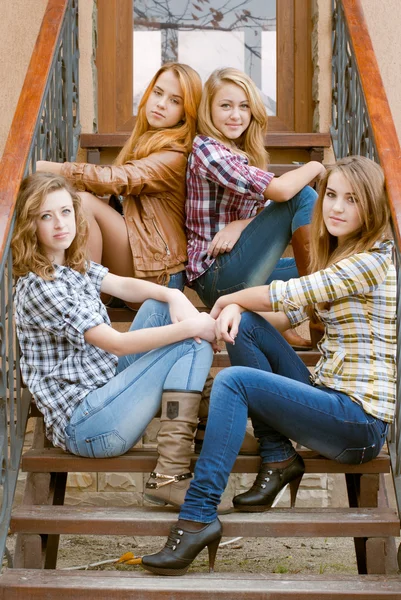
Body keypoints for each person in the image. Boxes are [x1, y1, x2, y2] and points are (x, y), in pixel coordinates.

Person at [141, 155, 395, 575]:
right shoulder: (343, 255)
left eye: (351, 199)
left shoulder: (371, 260)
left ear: (370, 206)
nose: (335, 207)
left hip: (359, 419)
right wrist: (240, 314)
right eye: (331, 195)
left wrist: (227, 300)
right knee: (249, 326)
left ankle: (198, 516)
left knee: (232, 383)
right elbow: (285, 315)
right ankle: (277, 457)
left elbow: (290, 294)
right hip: (329, 396)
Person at [12, 173, 216, 512]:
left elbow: (125, 286)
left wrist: (173, 295)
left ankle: (203, 424)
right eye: (45, 216)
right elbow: (117, 344)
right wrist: (195, 325)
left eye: (65, 212)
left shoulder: (72, 266)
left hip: (105, 389)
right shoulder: (41, 287)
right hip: (90, 425)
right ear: (30, 225)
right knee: (192, 343)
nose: (60, 224)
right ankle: (170, 475)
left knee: (158, 307)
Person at [185, 67, 326, 348]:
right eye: (225, 106)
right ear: (209, 110)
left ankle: (277, 321)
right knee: (304, 197)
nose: (235, 115)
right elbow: (284, 192)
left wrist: (241, 225)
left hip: (238, 264)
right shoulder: (208, 150)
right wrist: (316, 165)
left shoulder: (241, 152)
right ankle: (317, 315)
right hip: (216, 274)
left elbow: (266, 210)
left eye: (244, 106)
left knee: (323, 268)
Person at [36, 62, 202, 290]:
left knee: (82, 202)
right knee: (74, 198)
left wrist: (53, 168)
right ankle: (79, 291)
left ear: (186, 113)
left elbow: (119, 178)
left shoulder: (175, 154)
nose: (161, 104)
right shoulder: (146, 141)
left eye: (175, 101)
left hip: (160, 275)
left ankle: (82, 296)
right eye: (158, 92)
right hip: (139, 264)